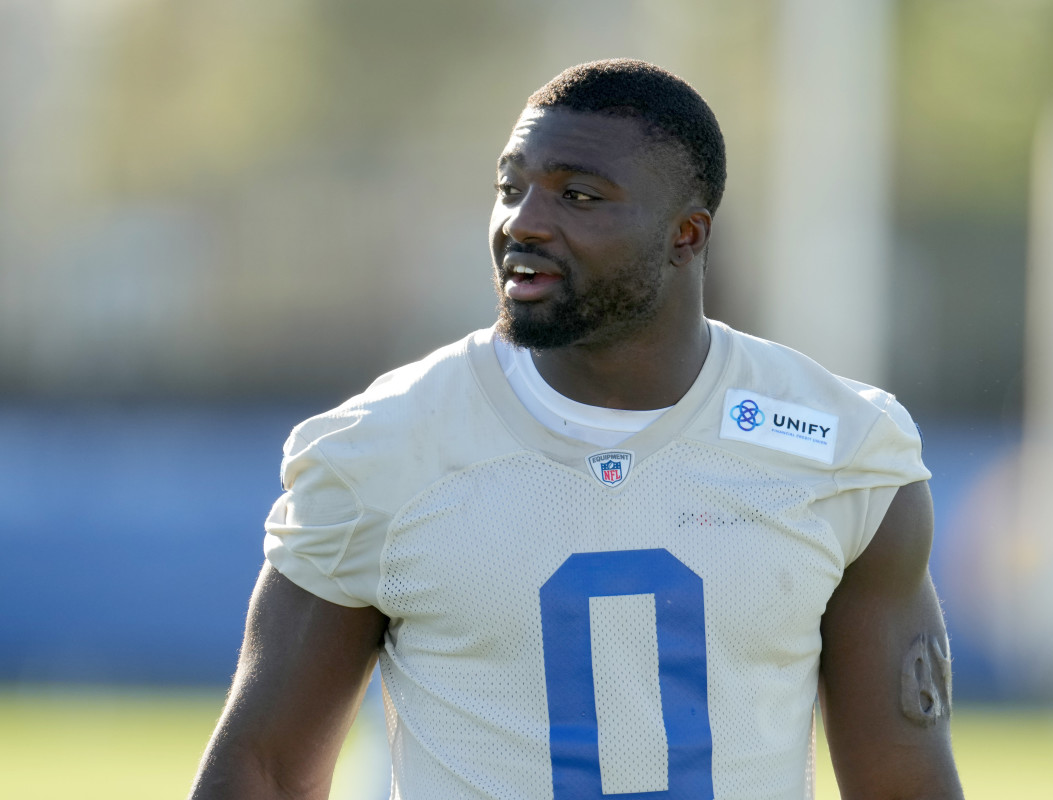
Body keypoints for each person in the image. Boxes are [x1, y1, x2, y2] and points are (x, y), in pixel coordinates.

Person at [189, 58, 963, 800]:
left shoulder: (844, 453)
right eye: (511, 187)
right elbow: (266, 772)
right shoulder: (383, 449)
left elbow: (904, 786)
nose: (523, 222)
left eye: (579, 197)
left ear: (686, 237)